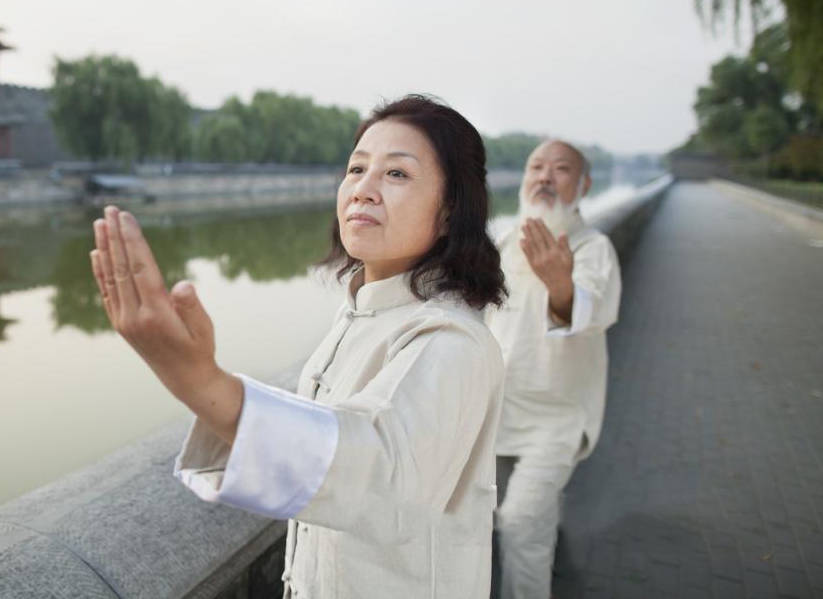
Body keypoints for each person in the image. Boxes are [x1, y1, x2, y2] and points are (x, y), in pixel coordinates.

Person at [89, 95, 507, 598]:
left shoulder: (453, 341)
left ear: (450, 211)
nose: (363, 190)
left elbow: (378, 473)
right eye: (356, 169)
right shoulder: (361, 310)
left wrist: (200, 382)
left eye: (396, 174)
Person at [485, 140, 622, 599]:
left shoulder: (593, 247)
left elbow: (592, 310)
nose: (545, 176)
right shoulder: (506, 240)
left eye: (560, 169)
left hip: (555, 421)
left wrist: (561, 285)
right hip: (496, 412)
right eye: (536, 167)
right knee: (486, 518)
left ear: (584, 185)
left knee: (520, 525)